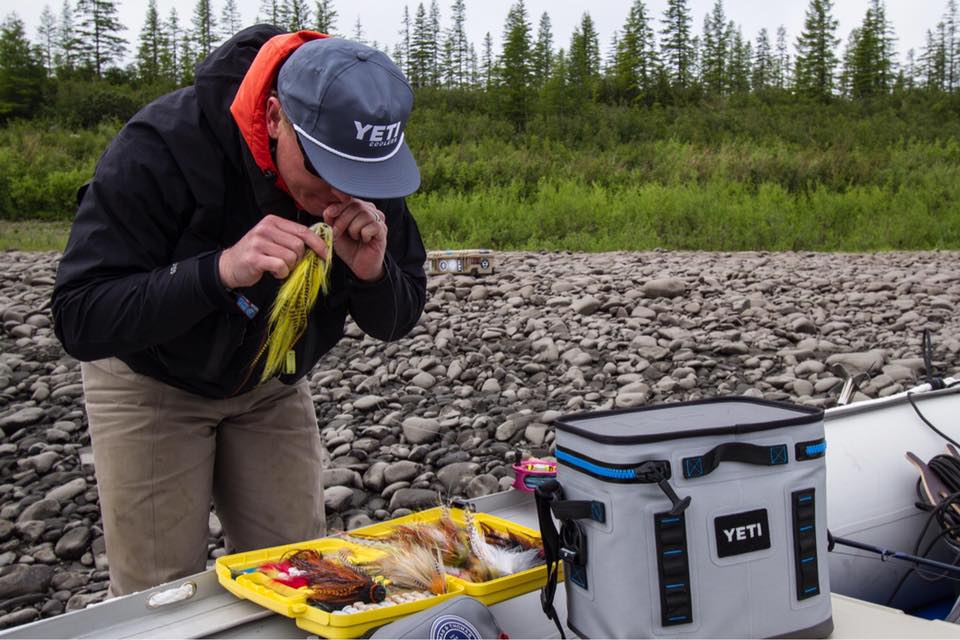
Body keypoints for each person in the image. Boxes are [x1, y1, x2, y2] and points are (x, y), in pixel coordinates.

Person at [51, 27, 427, 596]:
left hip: (270, 382)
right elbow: (80, 315)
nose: (338, 197)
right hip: (151, 377)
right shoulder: (165, 143)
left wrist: (373, 273)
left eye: (360, 178)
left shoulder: (363, 166)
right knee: (160, 597)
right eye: (322, 170)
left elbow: (397, 319)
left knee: (302, 578)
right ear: (275, 117)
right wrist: (218, 271)